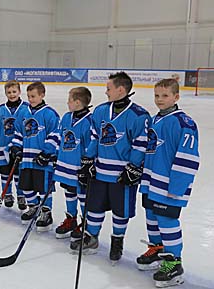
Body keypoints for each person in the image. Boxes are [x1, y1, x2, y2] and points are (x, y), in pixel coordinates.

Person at [74, 72, 150, 264]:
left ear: (121, 90)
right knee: (94, 207)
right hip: (100, 172)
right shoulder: (100, 111)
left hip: (122, 176)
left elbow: (140, 144)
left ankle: (117, 241)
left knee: (120, 211)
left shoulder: (139, 115)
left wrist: (133, 168)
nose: (106, 92)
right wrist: (88, 161)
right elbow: (94, 138)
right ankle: (91, 237)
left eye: (108, 89)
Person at [137, 78, 199, 288]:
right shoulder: (155, 120)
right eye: (156, 95)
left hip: (168, 186)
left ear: (176, 97)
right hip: (151, 183)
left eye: (165, 95)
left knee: (167, 221)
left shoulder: (184, 123)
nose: (160, 99)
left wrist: (177, 187)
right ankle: (158, 249)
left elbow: (188, 158)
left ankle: (174, 263)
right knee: (152, 218)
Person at [9, 81, 60, 232]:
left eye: (33, 96)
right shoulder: (24, 113)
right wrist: (16, 147)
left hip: (43, 161)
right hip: (27, 159)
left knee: (44, 189)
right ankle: (34, 207)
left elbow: (56, 135)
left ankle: (46, 212)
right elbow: (18, 132)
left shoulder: (50, 113)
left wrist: (46, 153)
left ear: (42, 95)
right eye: (29, 96)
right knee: (25, 187)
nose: (30, 99)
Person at [53, 87, 92, 239]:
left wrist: (88, 166)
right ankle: (71, 218)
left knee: (82, 196)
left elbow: (91, 146)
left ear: (77, 102)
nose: (67, 102)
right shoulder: (66, 117)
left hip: (79, 168)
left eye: (69, 100)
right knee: (69, 192)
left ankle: (86, 222)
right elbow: (59, 137)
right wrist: (54, 154)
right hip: (65, 166)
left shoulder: (89, 121)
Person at [0, 80, 28, 210]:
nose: (11, 94)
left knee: (19, 174)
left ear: (19, 92)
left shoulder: (26, 109)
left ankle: (21, 195)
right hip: (3, 148)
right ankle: (8, 194)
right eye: (9, 92)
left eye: (14, 92)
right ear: (5, 93)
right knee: (5, 173)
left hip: (20, 149)